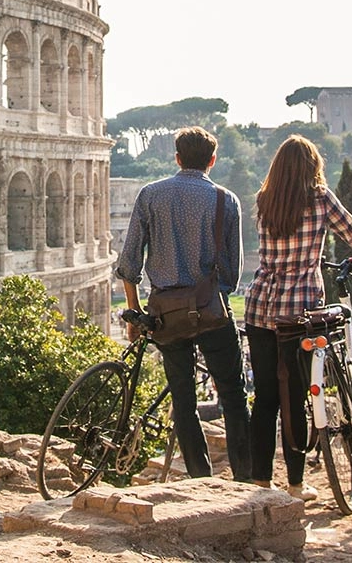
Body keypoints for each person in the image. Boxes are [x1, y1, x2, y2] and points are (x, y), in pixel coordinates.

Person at [243, 135, 352, 500]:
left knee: (265, 397)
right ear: (312, 167)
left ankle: (261, 481)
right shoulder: (320, 198)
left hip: (260, 306)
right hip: (299, 313)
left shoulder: (264, 200)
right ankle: (295, 486)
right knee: (294, 396)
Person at [116, 126, 251, 482]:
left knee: (183, 401)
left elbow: (129, 263)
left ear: (176, 158)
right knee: (234, 396)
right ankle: (245, 477)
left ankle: (199, 478)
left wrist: (135, 314)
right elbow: (232, 271)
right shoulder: (227, 200)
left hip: (166, 313)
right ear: (212, 160)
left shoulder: (150, 195)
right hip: (211, 310)